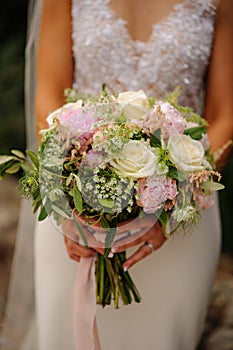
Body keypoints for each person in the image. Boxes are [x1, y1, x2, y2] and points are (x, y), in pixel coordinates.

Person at [2, 0, 233, 349]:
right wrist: (66, 196)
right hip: (73, 211)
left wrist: (174, 201)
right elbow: (48, 93)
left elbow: (225, 115)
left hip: (180, 218)